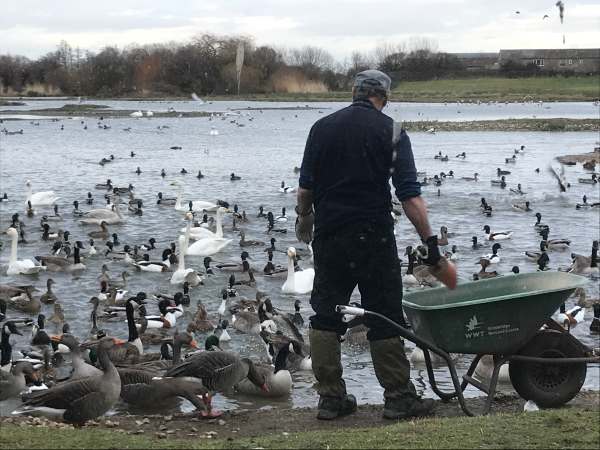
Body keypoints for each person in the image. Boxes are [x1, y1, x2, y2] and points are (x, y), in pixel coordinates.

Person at [295, 69, 451, 421]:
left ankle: (331, 399)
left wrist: (304, 217)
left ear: (354, 92)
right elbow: (410, 197)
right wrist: (430, 242)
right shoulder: (392, 131)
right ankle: (398, 397)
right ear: (385, 97)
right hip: (373, 236)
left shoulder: (321, 128)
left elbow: (305, 190)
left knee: (325, 315)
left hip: (330, 237)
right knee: (384, 314)